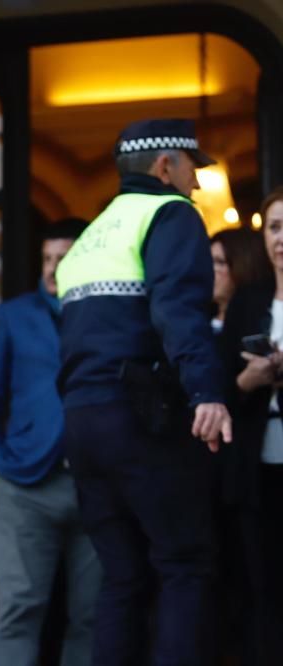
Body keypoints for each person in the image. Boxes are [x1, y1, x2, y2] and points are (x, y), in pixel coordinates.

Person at [55, 118, 232, 665]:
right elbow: (178, 308)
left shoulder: (90, 236)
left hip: (82, 422)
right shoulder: (170, 214)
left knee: (123, 575)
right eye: (191, 169)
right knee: (185, 565)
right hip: (139, 415)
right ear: (164, 166)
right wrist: (206, 391)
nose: (197, 185)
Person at [0, 217, 101, 666]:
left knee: (92, 617)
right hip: (25, 486)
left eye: (62, 258)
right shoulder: (15, 314)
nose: (51, 268)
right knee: (19, 612)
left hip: (97, 483)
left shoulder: (108, 312)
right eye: (47, 259)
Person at [219, 186, 283, 664]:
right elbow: (218, 392)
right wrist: (247, 379)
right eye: (275, 227)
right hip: (258, 470)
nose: (281, 238)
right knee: (263, 590)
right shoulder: (249, 302)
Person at [210, 228, 271, 333]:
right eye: (208, 261)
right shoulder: (195, 318)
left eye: (220, 262)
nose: (209, 269)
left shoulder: (260, 326)